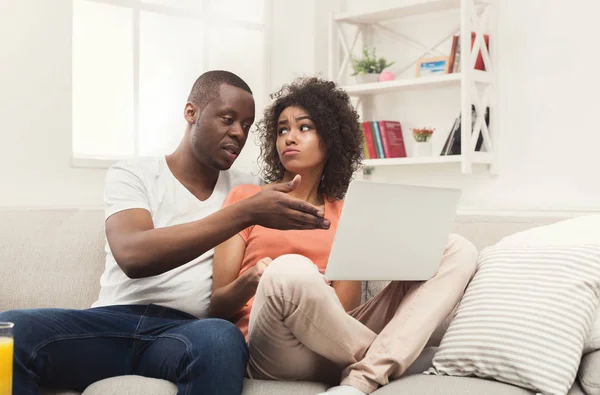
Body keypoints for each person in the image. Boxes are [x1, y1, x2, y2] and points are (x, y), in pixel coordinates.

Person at [0, 70, 332, 395]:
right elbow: (133, 255)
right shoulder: (135, 174)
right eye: (227, 119)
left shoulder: (249, 189)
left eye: (246, 125)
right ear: (192, 112)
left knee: (221, 340)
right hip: (110, 323)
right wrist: (242, 213)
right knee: (9, 333)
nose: (238, 133)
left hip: (185, 331)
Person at [210, 76, 479, 395]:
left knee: (457, 249)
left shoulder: (344, 214)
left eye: (304, 127)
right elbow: (216, 306)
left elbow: (343, 314)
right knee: (290, 270)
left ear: (331, 139)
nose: (289, 138)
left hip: (331, 345)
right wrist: (254, 279)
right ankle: (397, 356)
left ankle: (360, 379)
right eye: (282, 129)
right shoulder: (246, 198)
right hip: (272, 347)